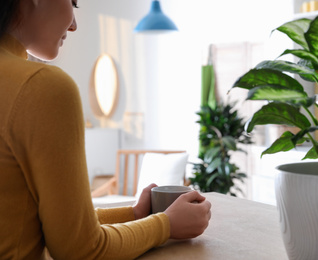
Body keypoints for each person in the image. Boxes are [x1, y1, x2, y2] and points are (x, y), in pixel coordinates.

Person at [0, 0, 212, 259]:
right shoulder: (41, 86)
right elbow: (81, 250)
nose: (75, 24)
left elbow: (54, 227)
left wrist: (133, 214)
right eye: (73, 2)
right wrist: (165, 225)